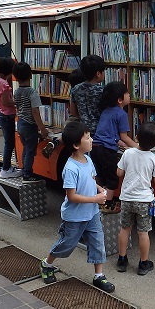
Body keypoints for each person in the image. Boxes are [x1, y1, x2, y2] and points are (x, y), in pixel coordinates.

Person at [39, 121, 115, 293]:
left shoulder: (88, 159)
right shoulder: (70, 168)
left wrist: (100, 189)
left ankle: (99, 276)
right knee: (67, 244)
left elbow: (92, 179)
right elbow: (71, 196)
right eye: (87, 138)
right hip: (74, 216)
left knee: (98, 243)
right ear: (75, 145)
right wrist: (95, 199)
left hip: (92, 214)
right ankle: (46, 264)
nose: (91, 140)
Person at [116, 121, 155, 276]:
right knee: (143, 232)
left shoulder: (128, 153)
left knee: (125, 229)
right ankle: (143, 263)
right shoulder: (153, 159)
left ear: (136, 137)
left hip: (127, 198)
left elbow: (119, 173)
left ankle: (122, 260)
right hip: (144, 201)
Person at [91, 81, 138, 213]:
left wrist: (118, 142)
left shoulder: (106, 111)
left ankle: (97, 200)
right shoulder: (121, 114)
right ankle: (107, 205)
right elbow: (124, 136)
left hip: (95, 147)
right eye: (127, 93)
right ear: (120, 100)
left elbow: (107, 132)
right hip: (107, 150)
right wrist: (139, 147)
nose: (129, 95)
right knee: (112, 178)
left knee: (100, 175)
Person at [12, 61, 49, 183]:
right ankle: (27, 174)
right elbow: (35, 111)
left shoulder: (16, 92)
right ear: (31, 75)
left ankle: (24, 170)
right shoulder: (32, 92)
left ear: (15, 77)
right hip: (29, 125)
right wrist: (42, 128)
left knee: (26, 149)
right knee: (29, 150)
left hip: (20, 123)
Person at [42, 68, 86, 158]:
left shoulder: (73, 92)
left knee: (65, 135)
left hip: (70, 121)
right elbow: (75, 112)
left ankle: (56, 142)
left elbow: (72, 111)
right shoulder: (85, 93)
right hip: (78, 121)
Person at [0, 57, 22, 178]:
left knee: (8, 143)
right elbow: (6, 102)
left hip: (1, 115)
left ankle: (7, 167)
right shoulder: (3, 83)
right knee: (9, 144)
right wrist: (17, 102)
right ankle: (6, 169)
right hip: (7, 115)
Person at [70, 55, 106, 136]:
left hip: (83, 130)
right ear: (98, 74)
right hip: (101, 130)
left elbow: (73, 111)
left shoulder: (76, 89)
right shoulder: (102, 91)